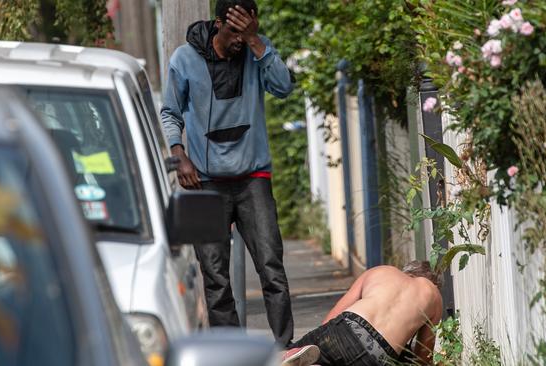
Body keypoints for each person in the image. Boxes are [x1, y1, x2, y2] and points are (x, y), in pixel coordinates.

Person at [161, 0, 295, 347]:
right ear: (218, 23)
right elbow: (170, 113)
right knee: (215, 277)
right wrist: (180, 157)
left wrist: (255, 42)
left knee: (271, 268)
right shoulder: (184, 59)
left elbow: (283, 87)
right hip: (205, 182)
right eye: (235, 31)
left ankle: (285, 347)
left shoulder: (256, 50)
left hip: (253, 179)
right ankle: (232, 351)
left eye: (248, 30)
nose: (240, 39)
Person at [283, 261, 443, 365]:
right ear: (435, 283)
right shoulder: (434, 296)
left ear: (407, 271)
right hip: (378, 355)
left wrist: (321, 341)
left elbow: (331, 317)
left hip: (347, 326)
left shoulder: (383, 271)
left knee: (303, 350)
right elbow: (423, 357)